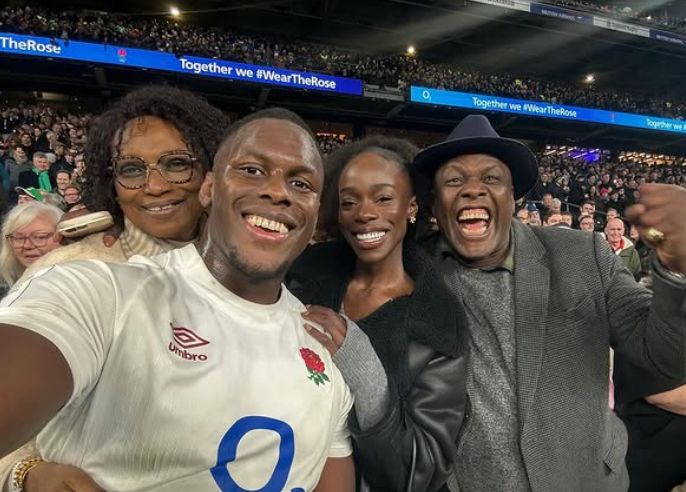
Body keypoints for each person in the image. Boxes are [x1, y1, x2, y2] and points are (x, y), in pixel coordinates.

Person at [0, 108, 354, 491]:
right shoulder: (98, 290)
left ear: (317, 214)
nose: (279, 191)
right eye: (252, 170)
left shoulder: (323, 346)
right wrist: (23, 472)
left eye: (302, 184)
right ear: (209, 189)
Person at [412, 114, 686, 492]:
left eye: (491, 178)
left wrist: (676, 271)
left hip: (587, 482)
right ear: (434, 203)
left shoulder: (582, 254)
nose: (472, 190)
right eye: (454, 180)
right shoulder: (412, 269)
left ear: (514, 197)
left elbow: (662, 356)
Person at [0, 85, 231, 486]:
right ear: (113, 184)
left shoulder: (240, 271)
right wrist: (26, 474)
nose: (155, 186)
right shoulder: (73, 269)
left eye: (177, 164)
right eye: (132, 169)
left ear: (211, 173)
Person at [288, 136, 467, 491]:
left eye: (383, 198)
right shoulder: (300, 276)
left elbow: (420, 472)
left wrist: (364, 369)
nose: (364, 213)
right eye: (349, 202)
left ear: (412, 207)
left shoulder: (439, 323)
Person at [0, 201, 63, 288]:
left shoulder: (76, 283)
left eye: (40, 237)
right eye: (19, 238)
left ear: (63, 237)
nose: (27, 245)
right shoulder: (5, 287)